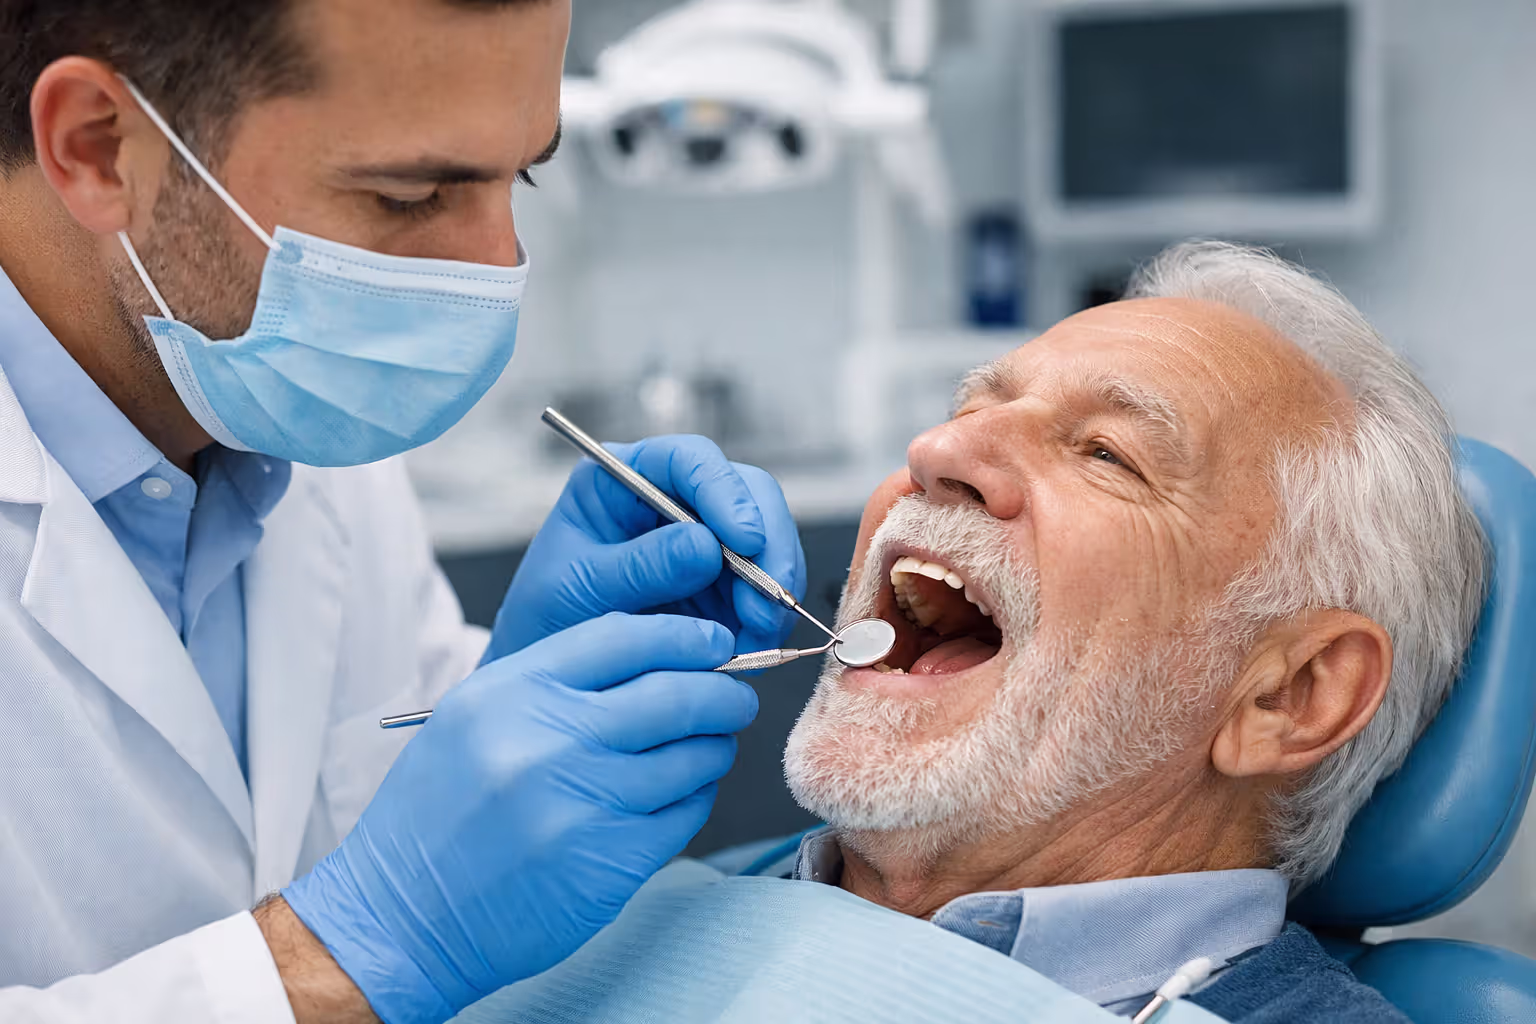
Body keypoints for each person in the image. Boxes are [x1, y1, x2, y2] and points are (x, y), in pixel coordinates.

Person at [0, 2, 807, 1023]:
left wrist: (496, 690)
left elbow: (363, 808)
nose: (493, 270)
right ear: (97, 147)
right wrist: (353, 948)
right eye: (410, 194)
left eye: (525, 174)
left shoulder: (275, 396)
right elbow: (381, 913)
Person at [761, 242, 1484, 1021]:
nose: (937, 450)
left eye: (1108, 454)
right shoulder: (634, 896)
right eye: (967, 411)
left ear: (1290, 695)